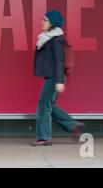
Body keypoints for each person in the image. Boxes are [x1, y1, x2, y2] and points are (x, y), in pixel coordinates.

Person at [32, 10, 84, 146]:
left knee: (43, 106)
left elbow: (59, 60)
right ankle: (73, 125)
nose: (42, 22)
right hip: (52, 77)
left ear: (52, 23)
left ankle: (44, 137)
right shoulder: (49, 37)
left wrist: (59, 81)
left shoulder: (56, 39)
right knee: (50, 106)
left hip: (54, 78)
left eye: (45, 20)